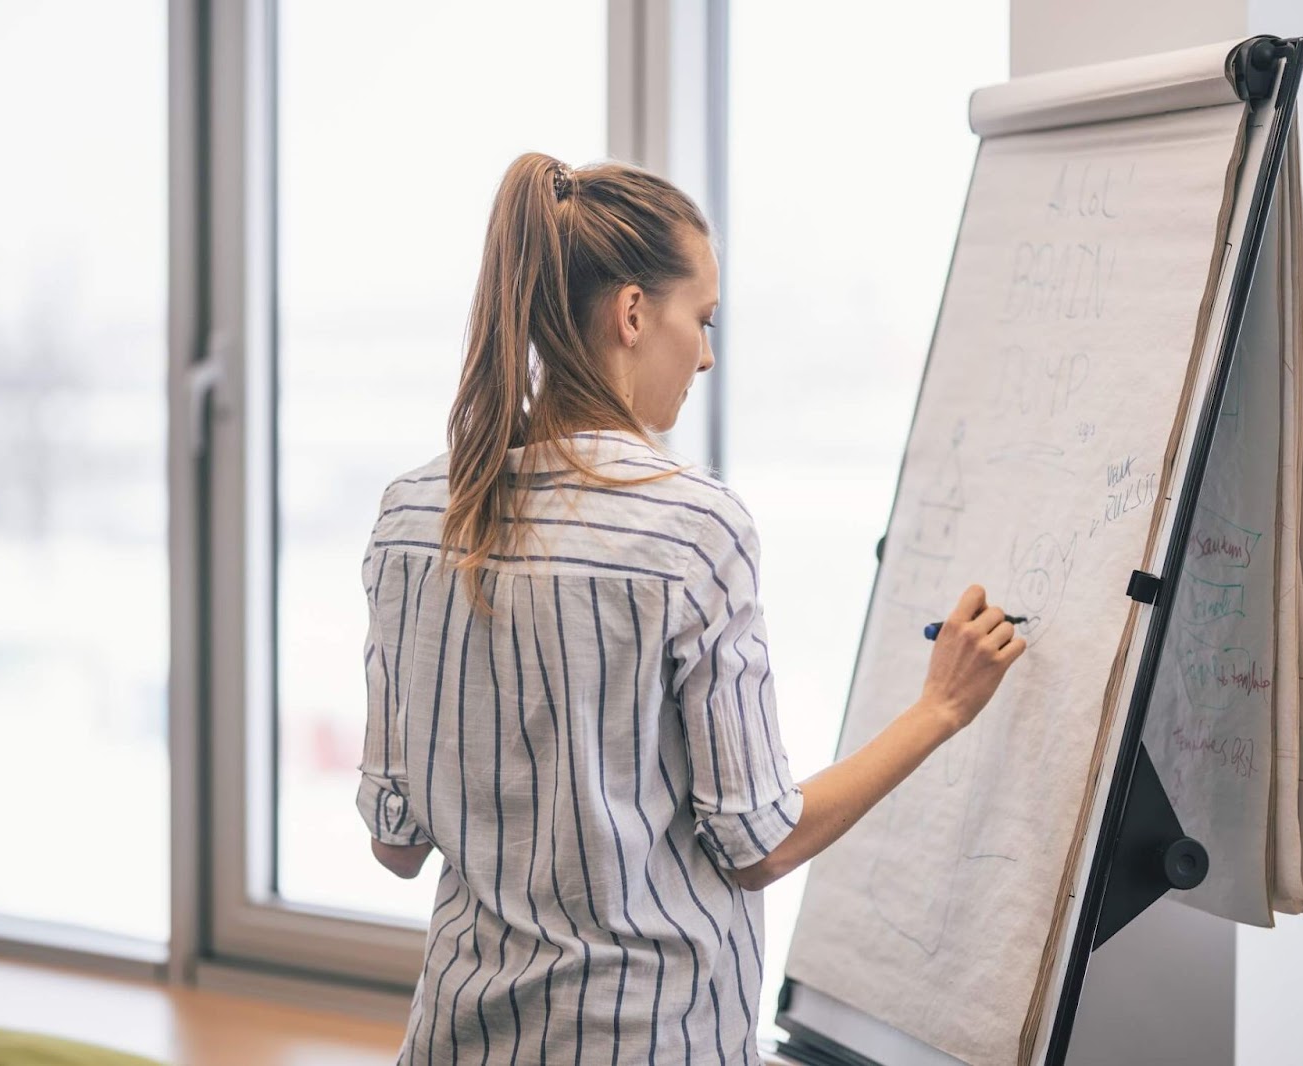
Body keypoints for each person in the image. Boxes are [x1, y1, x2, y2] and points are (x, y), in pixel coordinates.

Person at [356, 152, 1027, 1066]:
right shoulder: (691, 526)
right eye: (701, 320)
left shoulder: (410, 516)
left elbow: (397, 843)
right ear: (634, 314)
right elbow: (759, 845)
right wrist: (940, 708)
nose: (707, 354)